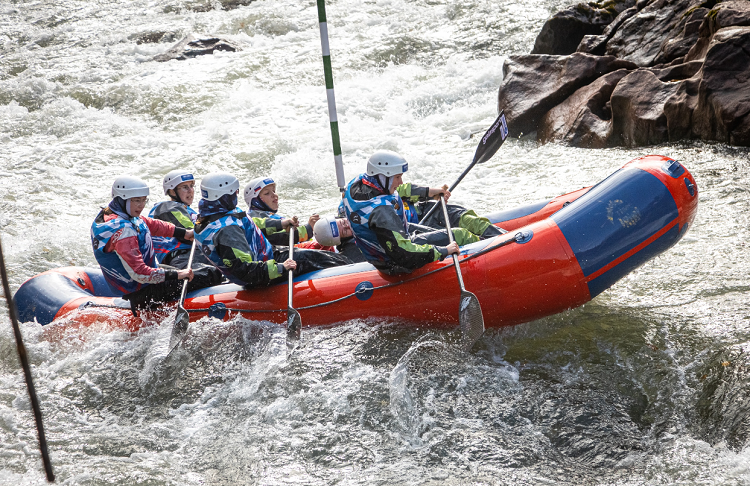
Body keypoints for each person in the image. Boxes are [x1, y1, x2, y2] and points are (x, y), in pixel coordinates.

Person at [194, 172, 352, 288]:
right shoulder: (228, 231)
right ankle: (355, 275)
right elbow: (245, 270)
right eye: (234, 193)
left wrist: (280, 224)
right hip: (265, 271)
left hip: (267, 258)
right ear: (224, 196)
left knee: (321, 256)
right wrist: (281, 268)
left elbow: (252, 222)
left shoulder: (213, 215)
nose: (236, 195)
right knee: (321, 259)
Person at [343, 150, 483, 274]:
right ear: (382, 176)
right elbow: (405, 254)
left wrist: (427, 192)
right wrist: (443, 251)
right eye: (397, 177)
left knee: (441, 229)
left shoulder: (357, 184)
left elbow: (397, 192)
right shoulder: (382, 213)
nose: (400, 181)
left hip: (390, 242)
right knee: (459, 235)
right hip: (395, 264)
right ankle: (491, 256)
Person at [91, 176, 197, 314]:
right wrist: (178, 274)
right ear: (122, 199)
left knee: (196, 270)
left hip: (144, 281)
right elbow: (139, 273)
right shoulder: (123, 231)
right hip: (143, 292)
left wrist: (185, 233)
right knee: (208, 274)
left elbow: (150, 224)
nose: (141, 205)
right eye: (136, 201)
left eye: (143, 200)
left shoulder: (114, 214)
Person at [149, 169, 224, 287]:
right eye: (185, 187)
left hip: (198, 255)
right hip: (183, 258)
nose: (190, 191)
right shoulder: (167, 207)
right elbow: (189, 232)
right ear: (172, 191)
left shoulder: (188, 210)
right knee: (212, 273)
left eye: (192, 186)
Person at [243, 177, 318, 246]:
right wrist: (308, 228)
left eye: (274, 191)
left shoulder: (270, 215)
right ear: (255, 200)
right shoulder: (254, 218)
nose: (274, 195)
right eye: (267, 193)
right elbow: (279, 238)